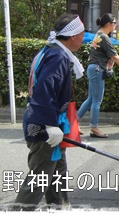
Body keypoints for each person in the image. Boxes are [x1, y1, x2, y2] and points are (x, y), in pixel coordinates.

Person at [14, 14, 85, 210]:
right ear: (72, 36)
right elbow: (44, 90)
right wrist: (50, 125)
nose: (83, 38)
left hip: (50, 123)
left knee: (57, 173)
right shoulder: (57, 57)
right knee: (40, 178)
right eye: (81, 34)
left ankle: (60, 208)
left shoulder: (52, 51)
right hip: (44, 126)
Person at [77, 13, 119, 138]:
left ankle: (74, 122)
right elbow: (114, 55)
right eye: (114, 23)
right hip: (97, 69)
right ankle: (94, 128)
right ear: (108, 24)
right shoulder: (104, 37)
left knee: (90, 99)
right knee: (96, 101)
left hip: (92, 68)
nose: (115, 25)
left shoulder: (98, 35)